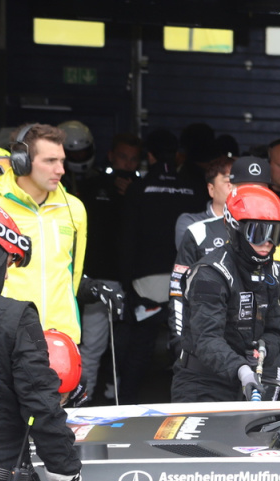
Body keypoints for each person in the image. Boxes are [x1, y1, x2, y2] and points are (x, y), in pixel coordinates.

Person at [168, 156, 280, 391]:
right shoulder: (198, 235)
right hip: (206, 372)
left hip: (257, 370)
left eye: (261, 188)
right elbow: (180, 301)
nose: (266, 242)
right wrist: (181, 346)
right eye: (244, 188)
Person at [0, 204, 83, 481]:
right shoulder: (14, 318)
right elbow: (41, 408)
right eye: (9, 263)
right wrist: (68, 479)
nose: (7, 275)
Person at [171, 184, 280, 403]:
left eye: (275, 234)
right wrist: (241, 369)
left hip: (249, 381)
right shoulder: (210, 274)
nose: (267, 242)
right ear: (236, 229)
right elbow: (207, 339)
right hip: (202, 383)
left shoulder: (269, 272)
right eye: (258, 233)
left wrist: (264, 350)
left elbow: (274, 330)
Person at [116, 126, 199, 401]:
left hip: (146, 283)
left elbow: (127, 240)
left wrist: (126, 283)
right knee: (185, 352)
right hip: (185, 282)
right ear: (176, 155)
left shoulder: (138, 189)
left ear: (149, 156)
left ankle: (125, 405)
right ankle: (187, 407)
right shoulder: (194, 188)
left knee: (139, 349)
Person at [0, 124, 90, 346]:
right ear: (21, 162)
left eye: (62, 161)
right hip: (6, 337)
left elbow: (73, 277)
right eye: (50, 161)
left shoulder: (74, 209)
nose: (60, 170)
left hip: (61, 338)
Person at [76, 133, 142, 399]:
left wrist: (133, 198)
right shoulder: (92, 186)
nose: (127, 163)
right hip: (98, 276)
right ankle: (84, 399)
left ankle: (118, 397)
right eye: (123, 157)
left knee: (125, 347)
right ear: (111, 156)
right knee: (93, 344)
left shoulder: (142, 190)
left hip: (133, 281)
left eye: (133, 159)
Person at [175, 156, 233, 246]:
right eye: (229, 181)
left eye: (240, 182)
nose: (235, 186)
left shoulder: (249, 223)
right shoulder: (191, 222)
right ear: (211, 189)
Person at [58, 120, 97, 194]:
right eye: (74, 154)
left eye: (84, 152)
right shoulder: (55, 180)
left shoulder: (99, 179)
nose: (80, 156)